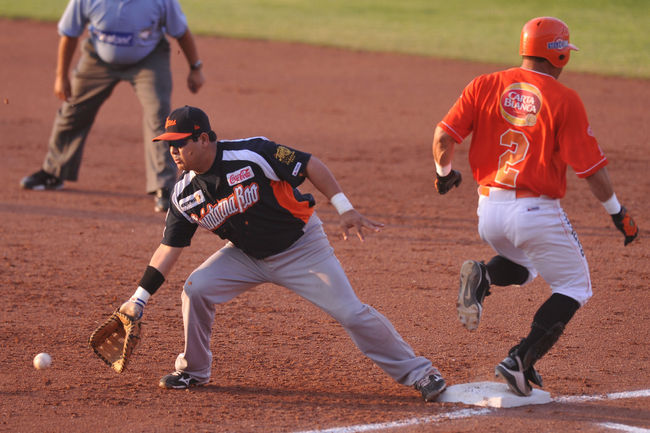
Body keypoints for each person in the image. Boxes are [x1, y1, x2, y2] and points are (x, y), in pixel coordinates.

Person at [116, 105, 447, 402]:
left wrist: (345, 208)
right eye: (169, 144)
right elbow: (169, 248)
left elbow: (310, 164)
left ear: (204, 139)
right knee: (196, 288)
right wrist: (138, 298)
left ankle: (422, 374)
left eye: (180, 142)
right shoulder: (184, 194)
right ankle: (194, 370)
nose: (173, 151)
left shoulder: (253, 152)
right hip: (245, 256)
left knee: (350, 313)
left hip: (301, 248)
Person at [431, 17, 639, 396]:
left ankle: (484, 275)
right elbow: (591, 171)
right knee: (575, 285)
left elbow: (444, 135)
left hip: (489, 213)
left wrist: (444, 173)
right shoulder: (565, 99)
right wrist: (617, 212)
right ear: (558, 53)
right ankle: (520, 362)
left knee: (525, 268)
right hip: (535, 213)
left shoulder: (484, 84)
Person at [20, 0, 205, 212]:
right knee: (73, 110)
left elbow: (181, 31)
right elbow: (69, 33)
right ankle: (54, 172)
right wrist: (61, 76)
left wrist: (195, 68)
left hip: (149, 58)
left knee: (158, 116)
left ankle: (164, 186)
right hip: (98, 57)